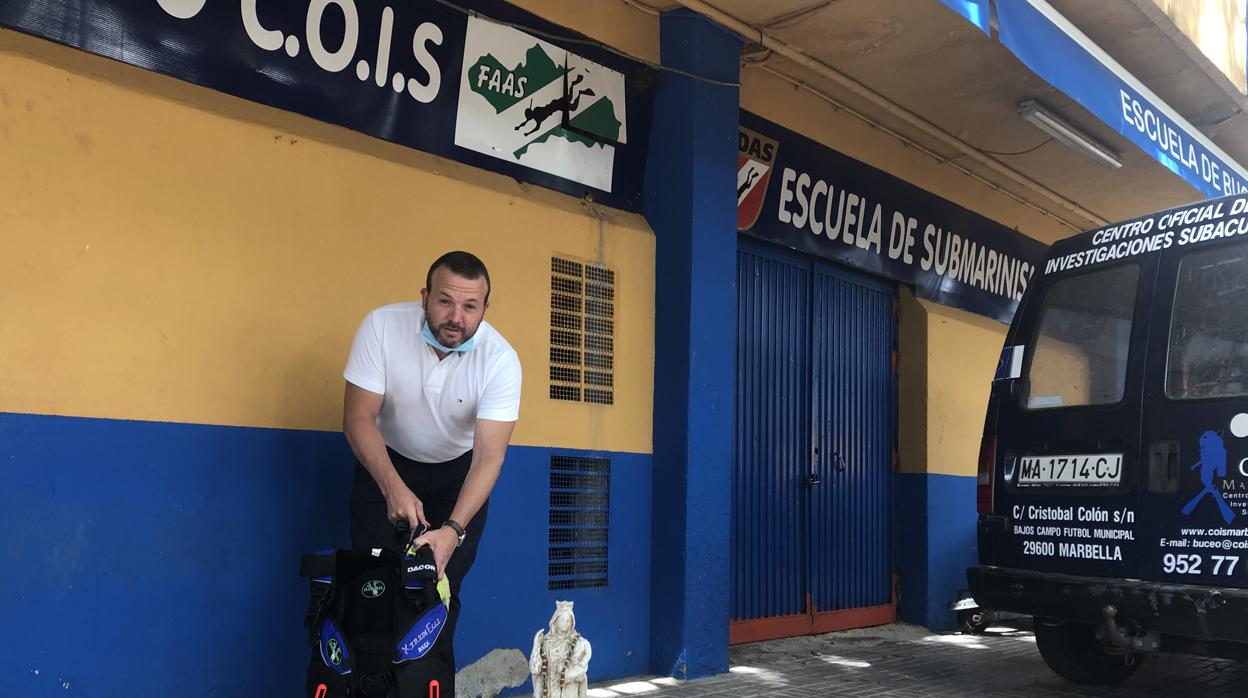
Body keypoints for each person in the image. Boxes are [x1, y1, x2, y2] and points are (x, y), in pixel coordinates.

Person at [341, 250, 522, 687]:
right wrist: (392, 488)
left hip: (458, 480)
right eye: (444, 301)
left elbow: (489, 456)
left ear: (485, 309)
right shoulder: (381, 327)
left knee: (436, 596)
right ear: (425, 297)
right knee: (372, 591)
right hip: (384, 465)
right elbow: (358, 418)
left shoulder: (500, 359)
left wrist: (453, 530)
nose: (456, 317)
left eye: (470, 306)